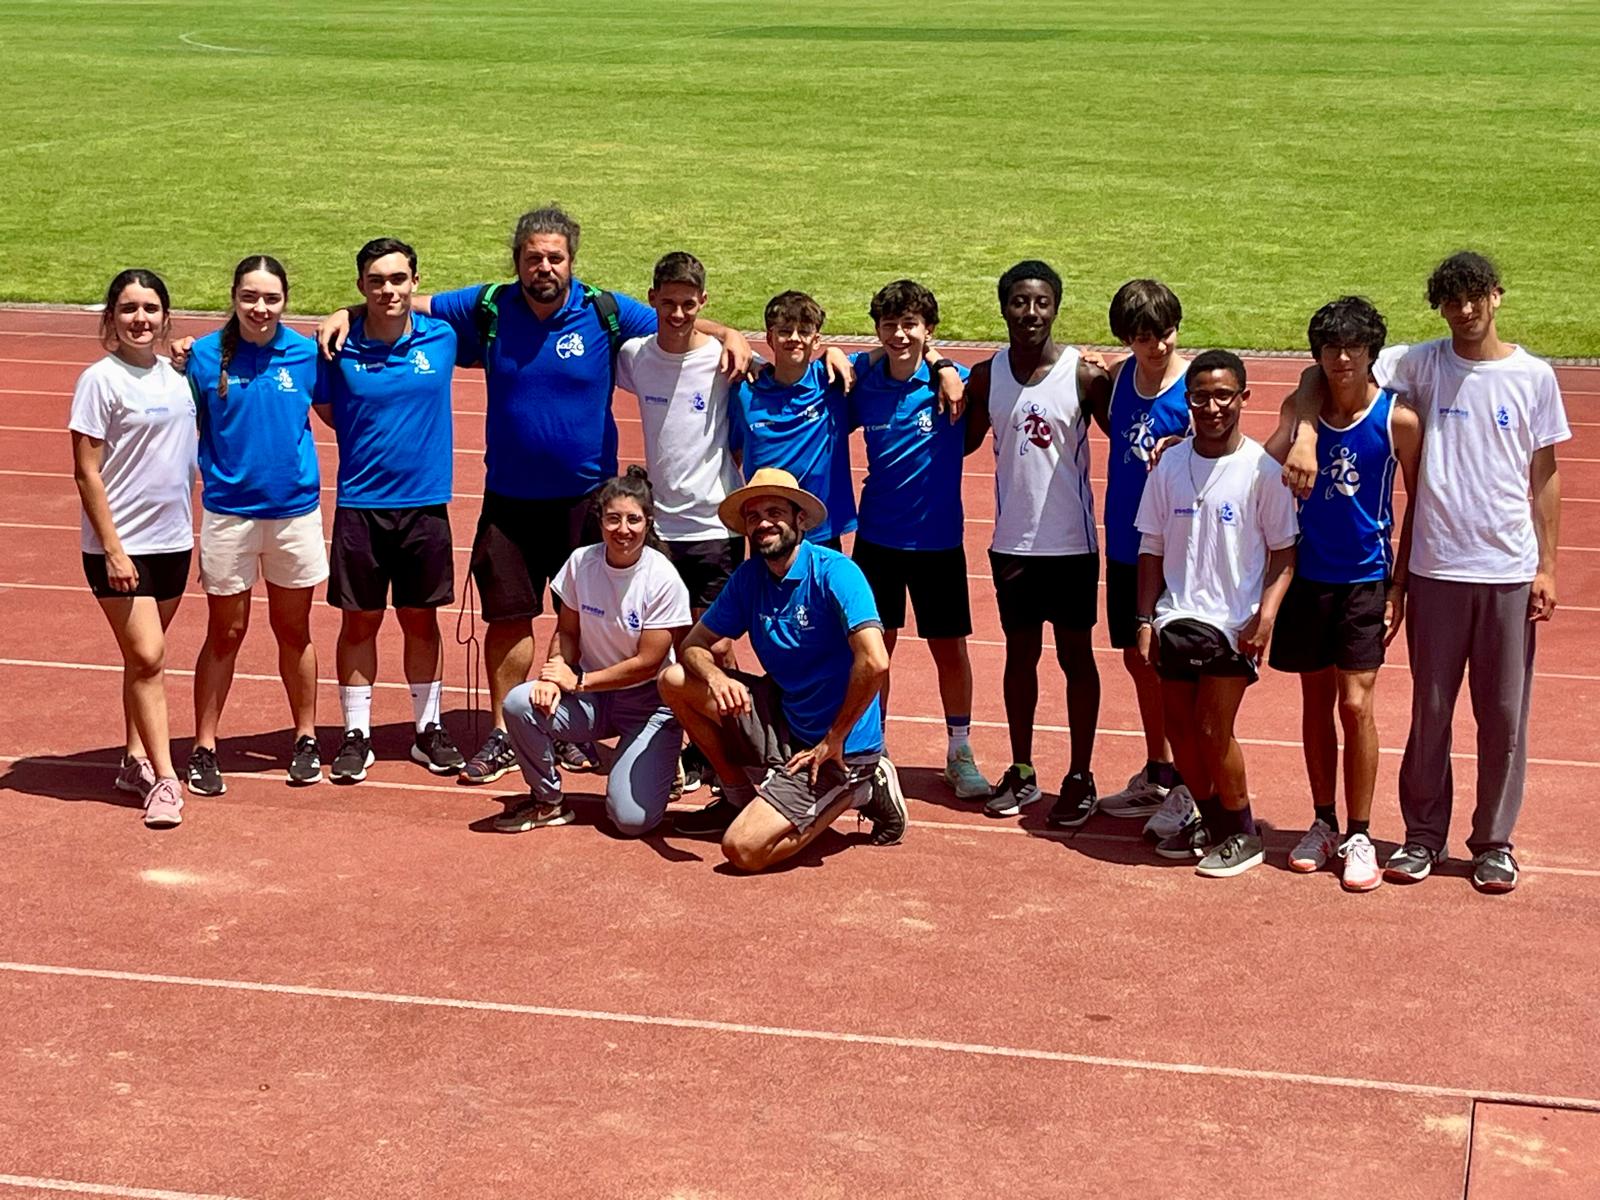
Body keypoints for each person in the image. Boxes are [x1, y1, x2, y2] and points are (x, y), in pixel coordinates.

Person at [317, 206, 753, 788]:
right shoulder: (489, 305)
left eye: (554, 257)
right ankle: (505, 731)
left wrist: (729, 335)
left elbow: (678, 319)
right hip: (510, 499)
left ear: (571, 261)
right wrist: (344, 312)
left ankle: (574, 727)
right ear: (517, 261)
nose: (543, 267)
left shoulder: (604, 310)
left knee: (588, 620)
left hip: (587, 501)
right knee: (508, 620)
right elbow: (402, 301)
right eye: (532, 258)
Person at [1283, 251, 1567, 893]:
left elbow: (1545, 475)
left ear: (1497, 296)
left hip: (1507, 570)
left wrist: (1547, 566)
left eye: (1475, 297)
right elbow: (1322, 368)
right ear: (1439, 308)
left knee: (1503, 718)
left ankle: (1493, 842)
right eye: (1451, 301)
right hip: (1436, 568)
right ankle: (1422, 836)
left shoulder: (1534, 377)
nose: (1464, 311)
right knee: (1430, 713)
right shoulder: (1421, 363)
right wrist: (1304, 433)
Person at [658, 468, 906, 869]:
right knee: (674, 680)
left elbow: (875, 661)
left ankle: (861, 788)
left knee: (742, 850)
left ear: (800, 519)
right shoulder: (749, 577)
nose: (763, 524)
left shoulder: (835, 572)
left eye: (775, 512)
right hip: (787, 716)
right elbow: (692, 645)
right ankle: (736, 799)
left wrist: (834, 737)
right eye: (754, 517)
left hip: (838, 746)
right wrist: (717, 677)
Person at [1265, 298, 1421, 892]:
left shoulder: (1397, 420)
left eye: (1355, 346)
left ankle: (1360, 832)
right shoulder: (1300, 408)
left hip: (1365, 578)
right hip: (1308, 577)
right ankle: (1323, 821)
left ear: (1372, 351)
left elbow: (1418, 506)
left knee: (1355, 706)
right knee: (1315, 703)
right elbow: (1259, 467)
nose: (1343, 358)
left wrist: (1399, 586)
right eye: (1332, 347)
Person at [1134, 350, 1298, 877]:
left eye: (1223, 395)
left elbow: (1284, 552)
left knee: (1211, 728)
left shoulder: (1262, 471)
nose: (1212, 407)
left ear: (1244, 398)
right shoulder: (1169, 466)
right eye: (1200, 397)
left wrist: (1265, 617)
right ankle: (1212, 822)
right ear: (1188, 401)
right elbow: (1151, 546)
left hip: (1233, 627)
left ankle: (1244, 832)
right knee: (1180, 731)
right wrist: (1144, 620)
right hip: (1175, 619)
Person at [963, 260, 1111, 828]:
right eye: (1020, 302)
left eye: (1042, 302)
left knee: (1076, 659)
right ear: (1004, 307)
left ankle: (1080, 775)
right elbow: (962, 440)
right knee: (1019, 657)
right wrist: (940, 372)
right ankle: (1022, 769)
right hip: (1012, 545)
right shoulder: (986, 377)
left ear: (1056, 308)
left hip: (1072, 546)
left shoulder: (1084, 377)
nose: (1031, 313)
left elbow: (1131, 427)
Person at [312, 237, 464, 783]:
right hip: (361, 505)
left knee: (421, 620)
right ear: (361, 286)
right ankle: (357, 734)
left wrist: (346, 310)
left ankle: (427, 728)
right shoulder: (337, 347)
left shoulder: (443, 336)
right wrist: (345, 315)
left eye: (398, 279)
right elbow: (327, 408)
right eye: (375, 281)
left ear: (415, 282)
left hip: (425, 506)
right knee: (360, 622)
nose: (387, 290)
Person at [183, 256, 326, 794]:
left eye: (270, 298)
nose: (260, 308)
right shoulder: (201, 357)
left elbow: (338, 412)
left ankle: (305, 737)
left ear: (285, 300)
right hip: (229, 516)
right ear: (233, 297)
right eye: (249, 297)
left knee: (294, 631)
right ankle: (204, 746)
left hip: (294, 514)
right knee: (226, 633)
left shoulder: (307, 354)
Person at [846, 279, 989, 799]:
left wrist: (943, 364)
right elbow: (831, 371)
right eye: (890, 325)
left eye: (910, 325)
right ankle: (874, 751)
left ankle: (959, 750)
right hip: (877, 539)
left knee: (949, 650)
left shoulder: (957, 382)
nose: (900, 335)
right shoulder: (864, 380)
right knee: (874, 651)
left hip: (938, 542)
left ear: (930, 329)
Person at [495, 469, 691, 835]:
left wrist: (580, 681)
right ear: (599, 521)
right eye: (613, 518)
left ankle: (660, 763)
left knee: (630, 821)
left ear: (648, 522)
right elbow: (567, 631)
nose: (623, 529)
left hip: (647, 705)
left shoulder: (663, 578)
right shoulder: (581, 562)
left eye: (633, 519)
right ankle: (548, 800)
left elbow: (648, 663)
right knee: (521, 703)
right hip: (592, 700)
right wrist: (554, 672)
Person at [68, 269, 196, 828]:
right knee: (148, 657)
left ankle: (132, 760)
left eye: (149, 308)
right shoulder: (100, 381)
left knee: (142, 660)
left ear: (165, 316)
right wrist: (113, 550)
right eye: (127, 309)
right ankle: (165, 781)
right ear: (111, 318)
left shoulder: (178, 376)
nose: (139, 319)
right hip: (120, 547)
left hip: (174, 540)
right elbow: (86, 472)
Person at [613, 251, 743, 793]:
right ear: (652, 300)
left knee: (716, 646)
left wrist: (731, 334)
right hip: (661, 531)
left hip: (715, 528)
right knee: (664, 646)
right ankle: (678, 743)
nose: (678, 313)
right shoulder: (634, 357)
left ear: (703, 303)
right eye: (668, 303)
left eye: (689, 304)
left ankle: (730, 746)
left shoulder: (722, 360)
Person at [1096, 280, 1196, 839]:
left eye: (1165, 334)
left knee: (1177, 664)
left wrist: (1185, 446)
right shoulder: (1117, 380)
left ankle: (1191, 782)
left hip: (1177, 549)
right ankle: (1160, 768)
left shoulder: (1195, 388)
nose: (1156, 347)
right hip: (1124, 541)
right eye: (1142, 338)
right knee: (1137, 658)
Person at [727, 292, 857, 549]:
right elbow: (735, 452)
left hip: (821, 530)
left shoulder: (832, 380)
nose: (795, 338)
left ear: (816, 340)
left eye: (804, 332)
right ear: (769, 338)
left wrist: (937, 362)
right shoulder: (745, 390)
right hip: (766, 528)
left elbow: (896, 352)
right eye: (785, 331)